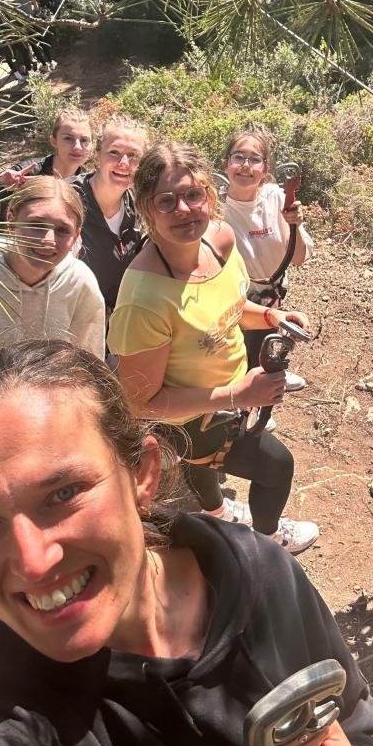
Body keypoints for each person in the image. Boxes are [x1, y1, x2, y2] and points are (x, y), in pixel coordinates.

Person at [0, 340, 373, 746]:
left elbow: (360, 723)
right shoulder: (4, 722)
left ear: (143, 475)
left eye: (64, 493)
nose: (32, 563)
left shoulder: (257, 568)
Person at [108, 142, 319, 555]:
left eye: (193, 194)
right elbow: (138, 402)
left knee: (201, 467)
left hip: (227, 396)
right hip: (192, 417)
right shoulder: (144, 298)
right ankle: (269, 543)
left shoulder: (218, 239)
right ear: (147, 209)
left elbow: (231, 309)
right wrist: (237, 395)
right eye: (166, 201)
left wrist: (272, 316)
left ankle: (216, 511)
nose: (184, 210)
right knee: (277, 465)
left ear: (209, 193)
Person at [221, 127, 313, 404]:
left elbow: (298, 258)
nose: (245, 166)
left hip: (272, 290)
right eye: (238, 157)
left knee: (268, 339)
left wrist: (293, 224)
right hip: (235, 296)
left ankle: (268, 378)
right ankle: (242, 398)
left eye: (254, 159)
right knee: (236, 349)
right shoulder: (215, 207)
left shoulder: (276, 197)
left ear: (265, 169)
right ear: (226, 164)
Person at [0, 178, 104, 358]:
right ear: (11, 222)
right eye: (36, 225)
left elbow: (89, 362)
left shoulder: (79, 283)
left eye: (62, 230)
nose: (48, 240)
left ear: (75, 236)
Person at [70, 116, 148, 315]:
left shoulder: (140, 205)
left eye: (133, 155)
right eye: (114, 152)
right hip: (74, 318)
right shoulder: (68, 200)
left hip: (120, 321)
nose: (124, 163)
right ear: (97, 156)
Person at [0, 107, 94, 222]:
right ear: (54, 141)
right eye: (68, 139)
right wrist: (0, 184)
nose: (77, 147)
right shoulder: (26, 173)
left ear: (93, 144)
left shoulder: (87, 185)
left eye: (84, 140)